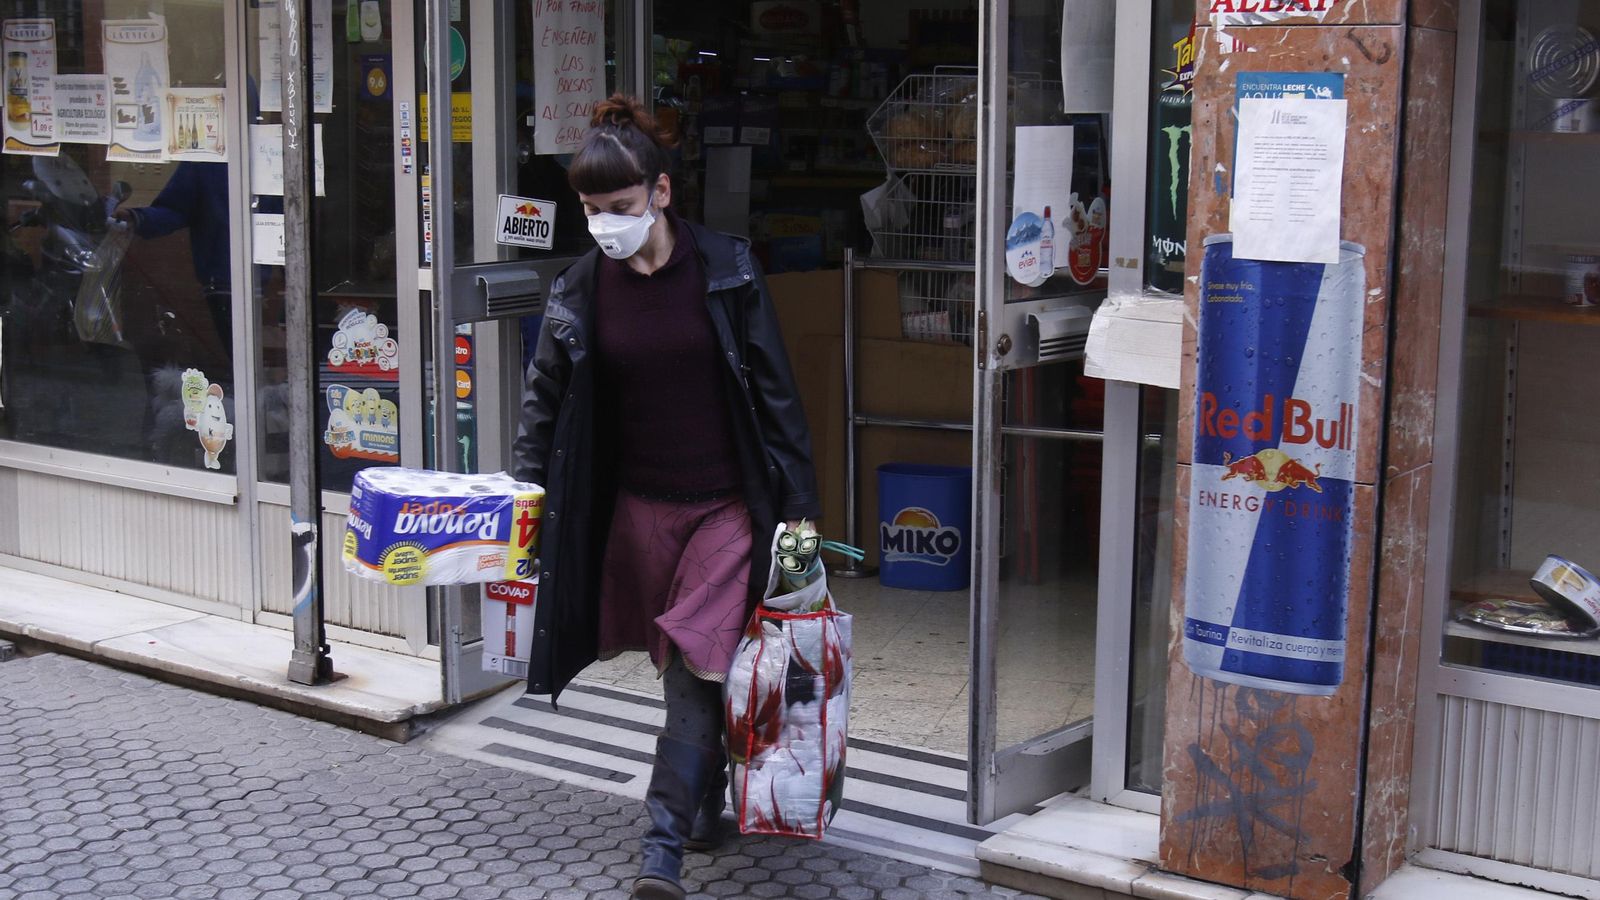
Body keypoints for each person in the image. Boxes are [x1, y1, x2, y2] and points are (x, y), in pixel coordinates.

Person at [511, 94, 819, 900]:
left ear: (661, 193)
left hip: (725, 508)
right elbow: (544, 399)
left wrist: (799, 514)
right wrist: (524, 493)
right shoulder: (581, 289)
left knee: (692, 668)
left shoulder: (728, 270)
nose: (604, 224)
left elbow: (777, 398)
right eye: (589, 210)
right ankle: (707, 804)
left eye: (618, 208)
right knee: (700, 674)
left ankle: (662, 850)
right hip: (638, 513)